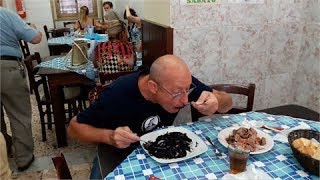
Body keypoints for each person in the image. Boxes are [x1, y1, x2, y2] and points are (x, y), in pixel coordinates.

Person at [67, 54, 232, 178]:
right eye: (176, 94)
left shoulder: (180, 84)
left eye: (187, 90)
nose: (184, 100)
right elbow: (74, 128)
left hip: (162, 154)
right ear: (153, 87)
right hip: (119, 156)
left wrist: (217, 101)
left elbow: (227, 102)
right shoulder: (117, 94)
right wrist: (109, 136)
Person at [0, 6, 42, 171]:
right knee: (19, 115)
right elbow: (36, 38)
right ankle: (23, 159)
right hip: (8, 67)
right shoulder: (5, 14)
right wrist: (32, 28)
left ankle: (3, 154)